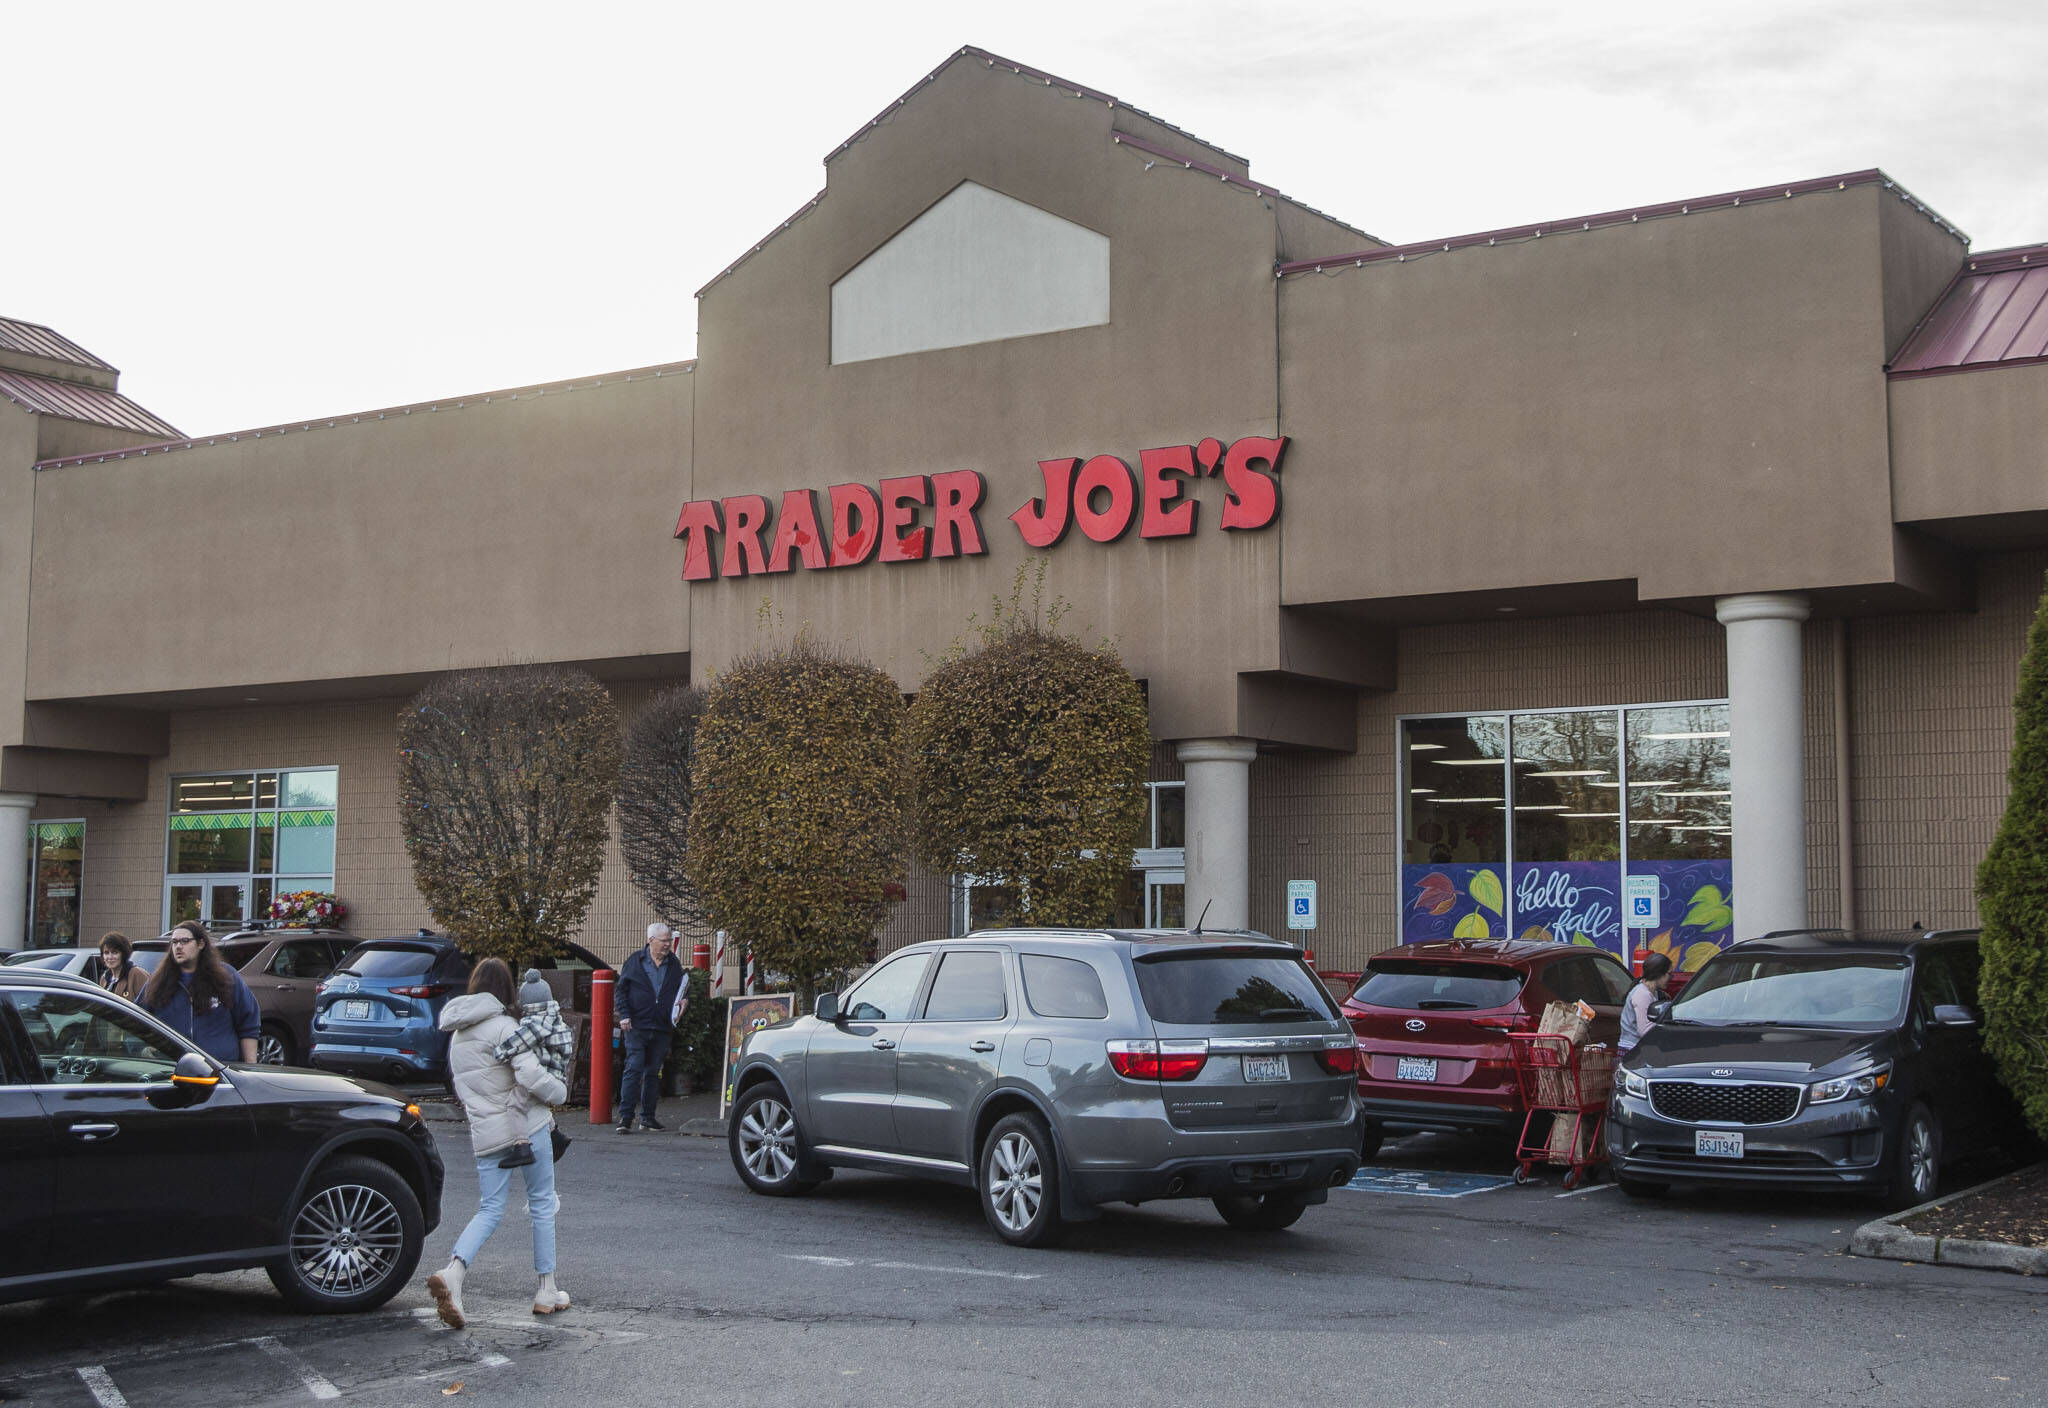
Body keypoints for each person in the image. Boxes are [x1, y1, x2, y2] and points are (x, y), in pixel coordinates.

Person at [427, 958, 570, 1327]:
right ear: (506, 990)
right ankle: (546, 1289)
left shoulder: (457, 1037)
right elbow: (530, 1074)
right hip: (530, 1127)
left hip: (486, 1135)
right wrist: (559, 1091)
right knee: (541, 1204)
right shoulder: (507, 1026)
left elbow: (462, 1089)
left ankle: (454, 1272)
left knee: (489, 1209)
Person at [490, 969, 578, 1170]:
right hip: (556, 1074)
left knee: (515, 1103)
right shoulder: (554, 1017)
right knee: (537, 1106)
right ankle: (556, 1136)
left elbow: (518, 1042)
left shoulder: (536, 1023)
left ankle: (521, 1146)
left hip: (544, 1073)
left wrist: (499, 1053)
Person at [140, 920, 260, 1063]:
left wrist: (250, 1068)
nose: (178, 947)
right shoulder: (158, 982)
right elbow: (137, 1021)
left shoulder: (226, 977)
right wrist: (142, 1049)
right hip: (173, 1068)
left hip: (220, 1070)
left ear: (201, 944)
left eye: (185, 941)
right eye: (174, 942)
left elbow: (249, 1024)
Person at [614, 922, 686, 1133]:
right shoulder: (634, 962)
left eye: (669, 941)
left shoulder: (674, 964)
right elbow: (621, 991)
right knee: (633, 1068)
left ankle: (647, 1117)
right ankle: (625, 1118)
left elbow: (682, 989)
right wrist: (625, 1015)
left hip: (662, 1026)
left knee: (653, 1072)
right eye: (663, 941)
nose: (667, 945)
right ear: (651, 940)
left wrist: (685, 1001)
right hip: (637, 1025)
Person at [1619, 951, 1674, 1054]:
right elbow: (1644, 1030)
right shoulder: (1642, 994)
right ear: (1659, 973)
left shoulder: (1653, 992)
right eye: (1669, 974)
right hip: (1633, 1050)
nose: (1671, 978)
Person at [96, 932, 148, 1002]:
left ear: (123, 954)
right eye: (106, 953)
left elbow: (147, 1006)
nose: (110, 957)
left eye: (115, 952)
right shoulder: (104, 978)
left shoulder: (136, 974)